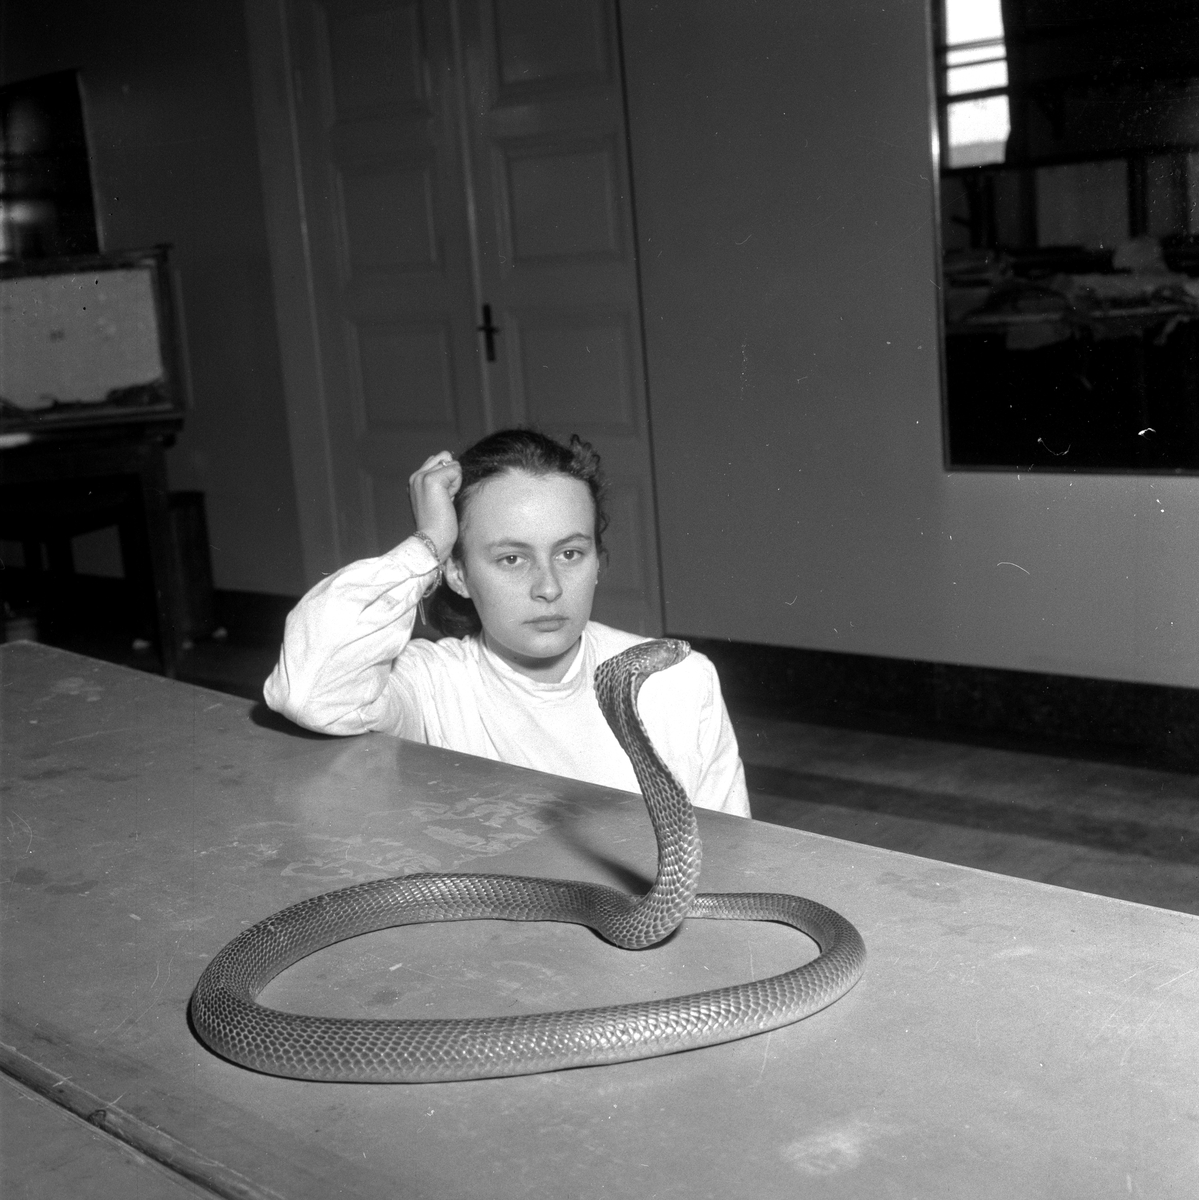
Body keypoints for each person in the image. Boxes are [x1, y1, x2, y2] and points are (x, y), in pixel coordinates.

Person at [264, 428, 749, 816]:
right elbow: (310, 694)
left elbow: (730, 859)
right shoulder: (431, 685)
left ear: (599, 562)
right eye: (512, 559)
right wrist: (428, 544)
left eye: (570, 553)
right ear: (457, 573)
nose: (549, 587)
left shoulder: (677, 680)